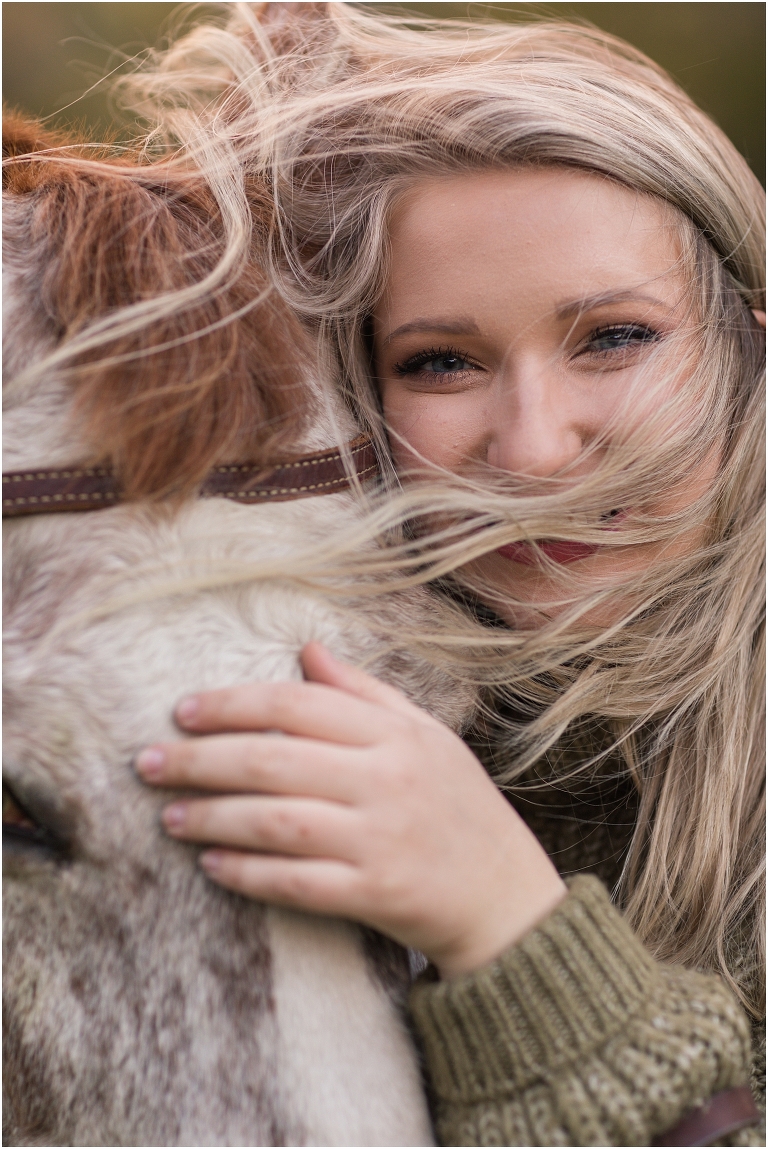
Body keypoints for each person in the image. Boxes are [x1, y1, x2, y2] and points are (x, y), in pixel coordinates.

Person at [131, 6, 764, 1144]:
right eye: (440, 362)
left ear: (750, 343)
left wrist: (506, 928)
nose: (532, 450)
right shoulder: (295, 694)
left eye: (614, 337)